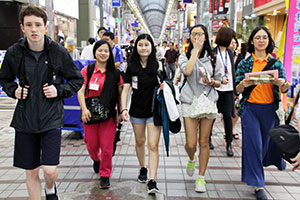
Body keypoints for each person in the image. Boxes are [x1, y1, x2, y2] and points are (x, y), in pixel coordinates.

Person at [0, 5, 84, 200]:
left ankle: (50, 188)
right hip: (25, 119)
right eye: (29, 25)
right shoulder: (14, 53)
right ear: (22, 27)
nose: (34, 29)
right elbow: (4, 79)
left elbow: (76, 80)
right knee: (31, 171)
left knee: (49, 170)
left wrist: (58, 90)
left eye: (38, 24)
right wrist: (14, 91)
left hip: (51, 118)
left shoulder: (58, 52)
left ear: (46, 27)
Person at [235, 26, 289, 200]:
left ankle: (261, 166)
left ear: (269, 41)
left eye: (264, 38)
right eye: (257, 37)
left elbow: (285, 87)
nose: (261, 41)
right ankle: (258, 184)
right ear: (252, 41)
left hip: (270, 110)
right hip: (250, 109)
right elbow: (237, 88)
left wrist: (281, 84)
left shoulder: (275, 63)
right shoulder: (244, 63)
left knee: (265, 145)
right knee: (254, 145)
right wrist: (244, 83)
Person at [178, 24, 223, 193]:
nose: (198, 37)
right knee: (191, 143)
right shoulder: (184, 56)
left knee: (204, 141)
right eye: (194, 34)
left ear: (206, 37)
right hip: (190, 100)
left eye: (201, 34)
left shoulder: (214, 57)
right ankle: (191, 157)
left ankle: (201, 177)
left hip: (208, 100)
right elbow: (188, 71)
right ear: (190, 37)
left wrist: (213, 82)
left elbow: (221, 80)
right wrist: (195, 51)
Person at [120, 33, 163, 194]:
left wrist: (165, 87)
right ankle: (143, 168)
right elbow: (125, 90)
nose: (143, 48)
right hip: (136, 110)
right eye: (141, 45)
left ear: (152, 47)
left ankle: (152, 180)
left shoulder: (158, 66)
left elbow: (166, 84)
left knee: (153, 145)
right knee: (140, 141)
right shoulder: (131, 67)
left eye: (146, 45)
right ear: (136, 47)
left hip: (154, 111)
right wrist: (123, 109)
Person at [77, 40, 123, 189]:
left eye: (106, 51)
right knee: (91, 145)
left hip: (108, 115)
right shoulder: (88, 70)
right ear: (95, 52)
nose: (103, 53)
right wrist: (84, 109)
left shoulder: (115, 74)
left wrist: (121, 112)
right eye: (100, 50)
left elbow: (121, 93)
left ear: (110, 54)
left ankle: (105, 174)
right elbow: (80, 91)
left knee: (107, 146)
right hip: (90, 113)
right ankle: (96, 160)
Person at [212, 27, 236, 157]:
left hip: (228, 89)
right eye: (231, 38)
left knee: (227, 116)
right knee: (211, 115)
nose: (233, 41)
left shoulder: (230, 53)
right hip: (215, 88)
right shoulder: (213, 52)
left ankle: (229, 143)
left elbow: (232, 70)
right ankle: (208, 138)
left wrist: (235, 89)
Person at [228, 35, 244, 140]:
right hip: (223, 86)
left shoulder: (240, 57)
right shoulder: (221, 55)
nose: (233, 45)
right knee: (226, 111)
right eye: (231, 42)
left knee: (236, 108)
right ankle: (228, 129)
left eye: (235, 43)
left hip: (235, 85)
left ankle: (232, 128)